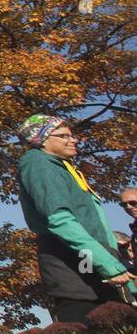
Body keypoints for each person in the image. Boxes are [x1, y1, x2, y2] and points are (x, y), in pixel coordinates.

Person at [15, 114, 136, 322]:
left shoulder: (62, 167)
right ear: (41, 140)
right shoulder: (40, 165)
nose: (73, 140)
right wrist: (109, 266)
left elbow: (88, 222)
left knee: (112, 328)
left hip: (88, 260)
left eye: (72, 135)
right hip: (70, 263)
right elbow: (60, 220)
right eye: (63, 136)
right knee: (84, 329)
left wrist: (114, 261)